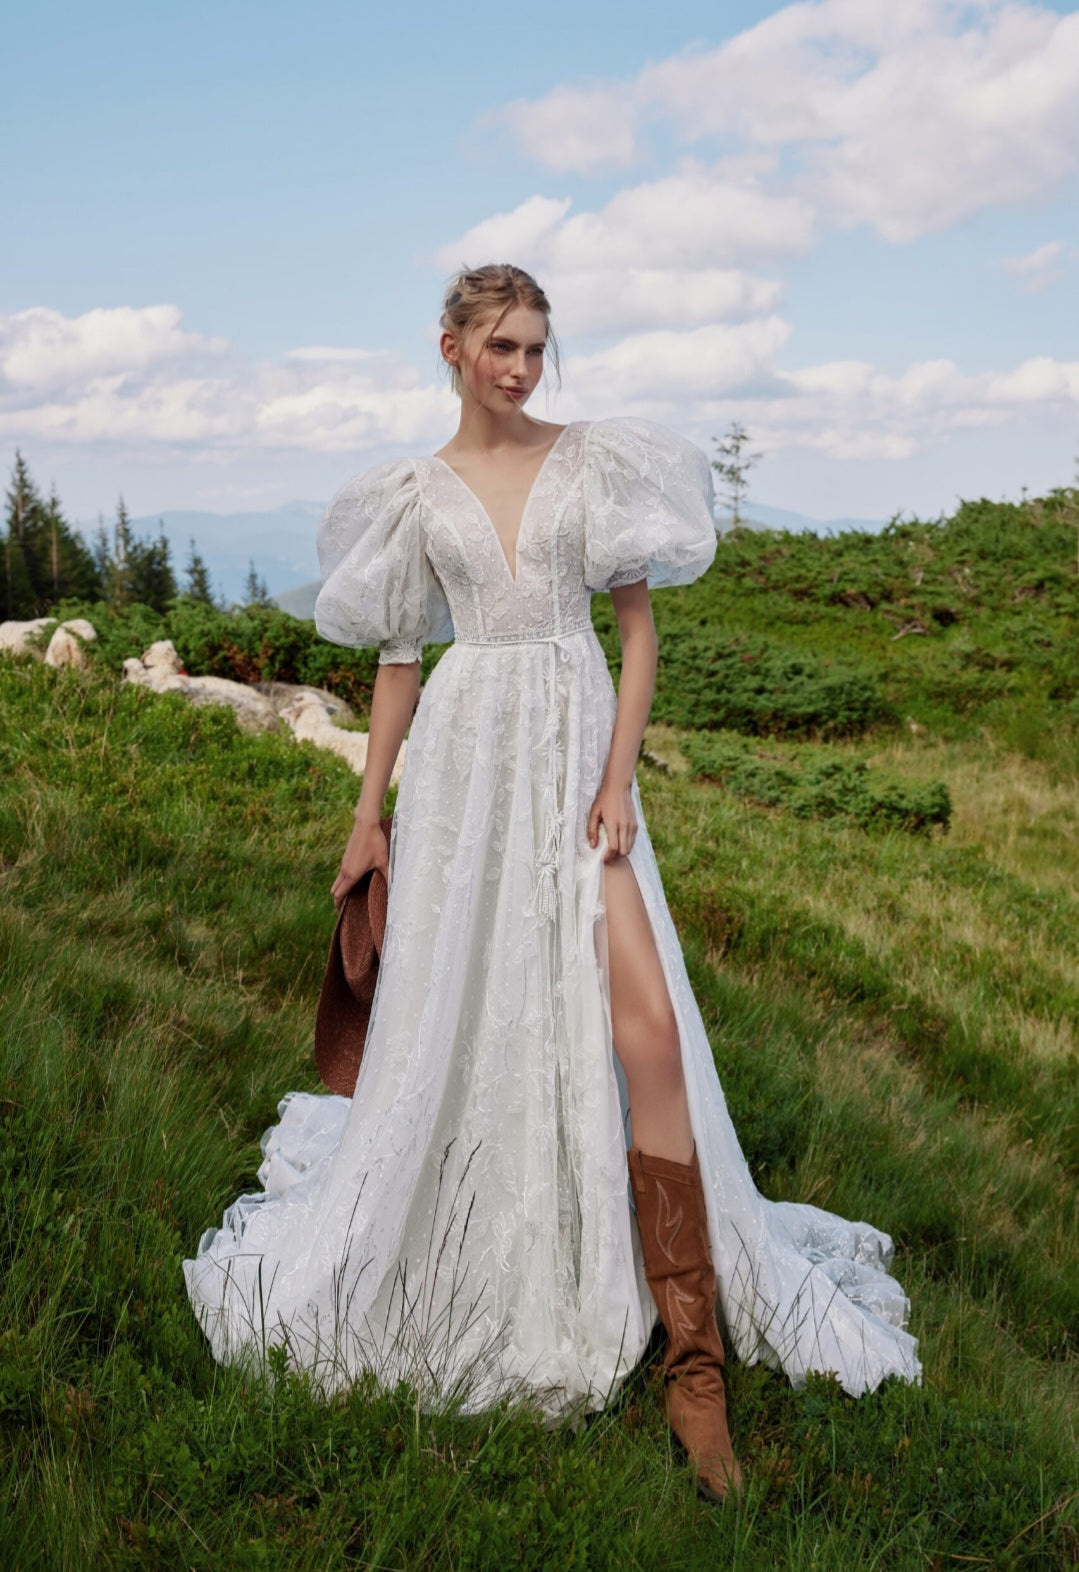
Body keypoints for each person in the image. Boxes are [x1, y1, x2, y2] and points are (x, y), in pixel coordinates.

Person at [183, 263, 920, 1504]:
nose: (523, 368)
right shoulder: (412, 492)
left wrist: (617, 780)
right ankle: (508, 1234)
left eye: (536, 346)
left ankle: (694, 1363)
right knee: (475, 1015)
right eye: (502, 347)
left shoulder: (594, 462)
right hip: (466, 772)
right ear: (451, 349)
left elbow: (635, 634)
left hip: (578, 763)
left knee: (649, 1032)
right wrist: (368, 819)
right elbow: (401, 665)